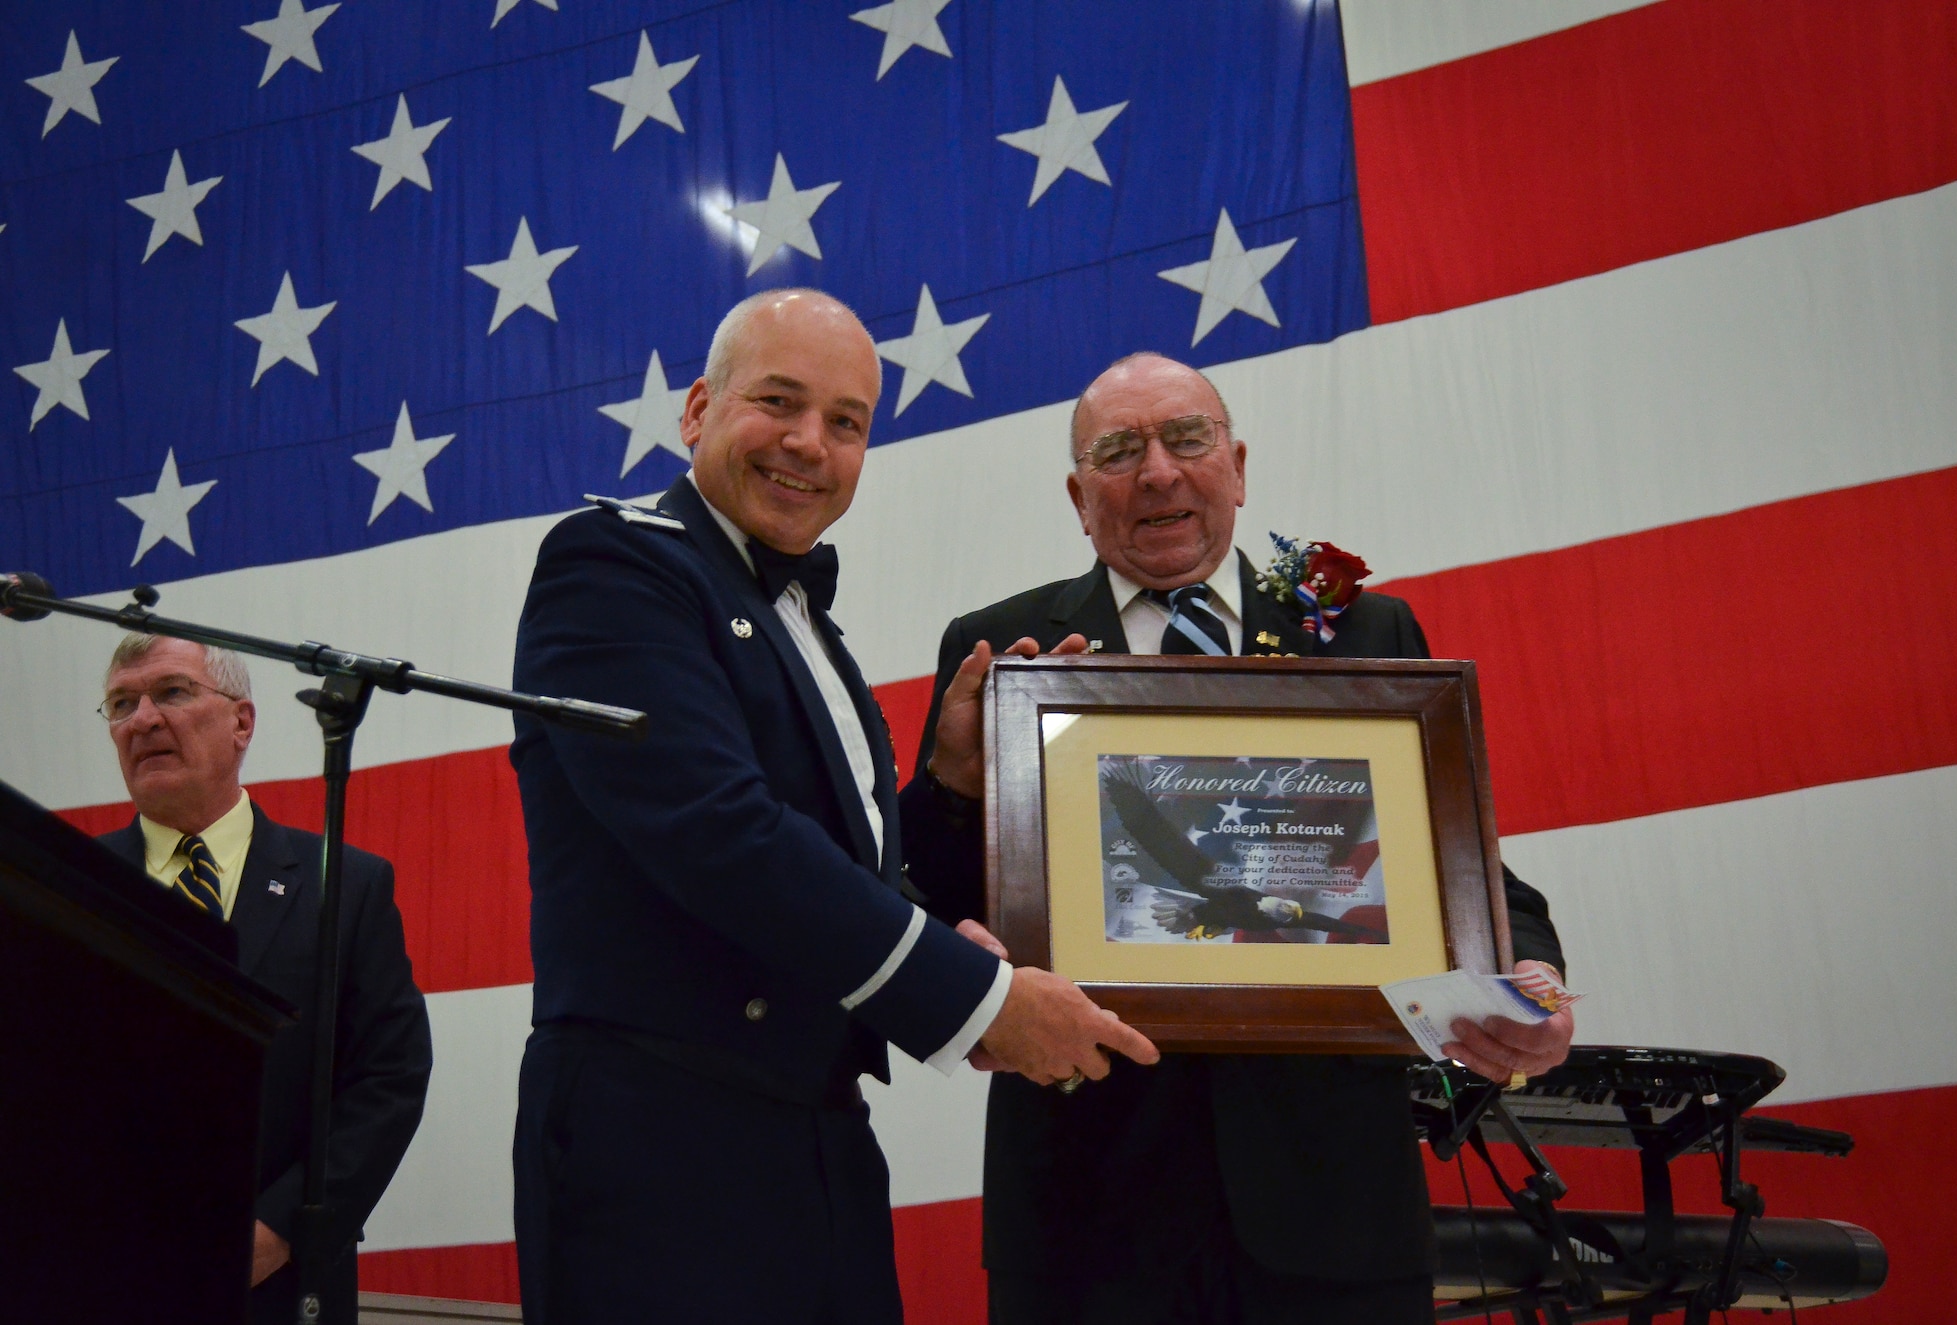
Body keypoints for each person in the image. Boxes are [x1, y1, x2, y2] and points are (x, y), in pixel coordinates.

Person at [508, 288, 1158, 1325]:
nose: (809, 443)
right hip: (661, 1144)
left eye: (846, 422)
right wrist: (980, 1000)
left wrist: (946, 787)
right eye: (779, 401)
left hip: (812, 1132)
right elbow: (719, 834)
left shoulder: (806, 616)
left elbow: (829, 870)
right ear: (695, 410)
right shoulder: (614, 564)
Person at [904, 352, 1575, 1324]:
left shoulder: (1364, 631)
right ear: (1077, 495)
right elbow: (946, 892)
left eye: (1185, 439)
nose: (1158, 472)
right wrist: (949, 784)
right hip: (1087, 1218)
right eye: (1118, 450)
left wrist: (1529, 979)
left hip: (1333, 1207)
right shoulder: (1005, 649)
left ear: (1237, 463)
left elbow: (1457, 867)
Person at [94, 633, 432, 1325]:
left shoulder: (348, 886)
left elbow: (388, 1077)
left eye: (173, 692)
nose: (143, 719)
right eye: (122, 703)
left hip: (283, 1285)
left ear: (241, 721)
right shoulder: (65, 885)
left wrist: (279, 1231)